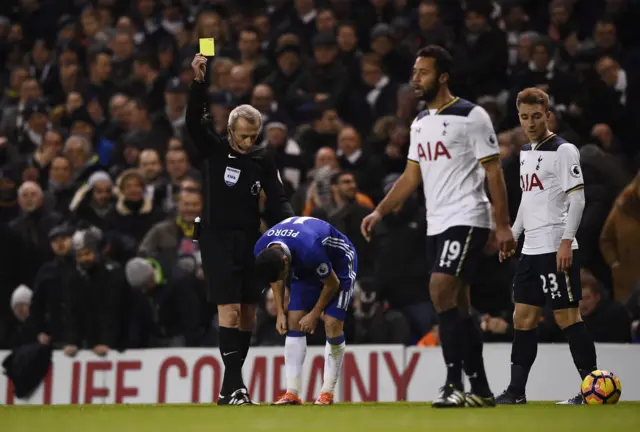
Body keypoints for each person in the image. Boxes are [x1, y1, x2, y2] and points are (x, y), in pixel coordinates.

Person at [360, 45, 514, 408]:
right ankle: (479, 387)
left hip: (468, 217)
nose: (416, 79)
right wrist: (380, 211)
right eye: (414, 72)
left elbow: (494, 172)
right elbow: (411, 176)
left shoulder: (471, 116)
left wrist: (502, 225)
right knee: (458, 305)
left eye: (423, 72)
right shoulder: (419, 123)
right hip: (437, 223)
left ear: (442, 76)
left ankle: (452, 383)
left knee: (439, 287)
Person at [186, 53, 294, 405]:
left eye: (254, 137)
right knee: (229, 312)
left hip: (251, 239)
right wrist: (199, 83)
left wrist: (293, 227)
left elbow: (276, 200)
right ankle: (237, 387)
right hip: (217, 238)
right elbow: (192, 123)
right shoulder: (215, 151)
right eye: (243, 136)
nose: (248, 143)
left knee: (248, 314)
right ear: (230, 131)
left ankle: (228, 389)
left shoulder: (262, 159)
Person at [495, 87, 596, 405]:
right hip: (530, 250)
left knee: (568, 318)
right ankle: (516, 392)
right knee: (521, 318)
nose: (530, 122)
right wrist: (513, 233)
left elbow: (577, 199)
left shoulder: (564, 150)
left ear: (548, 115)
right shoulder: (526, 152)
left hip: (555, 247)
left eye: (536, 116)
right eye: (524, 117)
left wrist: (567, 242)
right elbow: (528, 199)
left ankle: (593, 388)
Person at [254, 216, 357, 406]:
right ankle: (292, 393)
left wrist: (315, 313)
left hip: (339, 262)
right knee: (294, 322)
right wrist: (279, 312)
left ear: (286, 261)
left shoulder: (309, 248)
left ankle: (327, 392)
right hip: (304, 266)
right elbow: (275, 278)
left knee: (332, 323)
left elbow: (332, 283)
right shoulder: (262, 249)